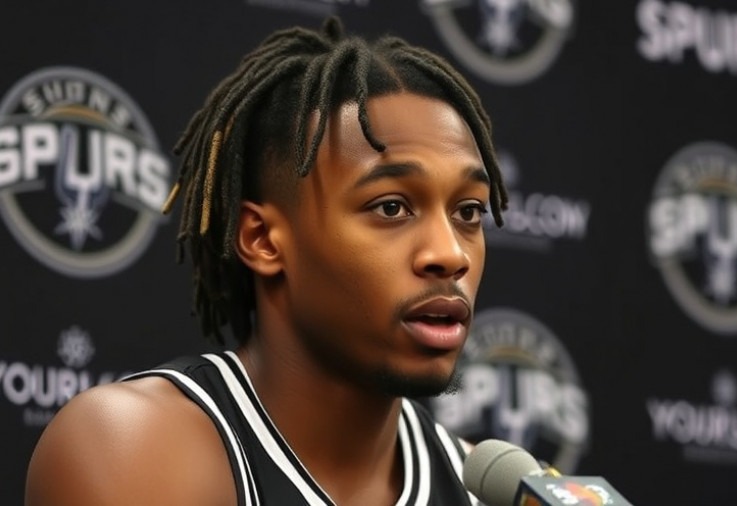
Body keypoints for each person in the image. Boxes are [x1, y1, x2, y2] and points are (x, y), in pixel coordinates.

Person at [24, 15, 508, 506]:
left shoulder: (490, 492)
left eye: (468, 211)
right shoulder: (136, 446)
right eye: (391, 208)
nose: (449, 254)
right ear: (262, 239)